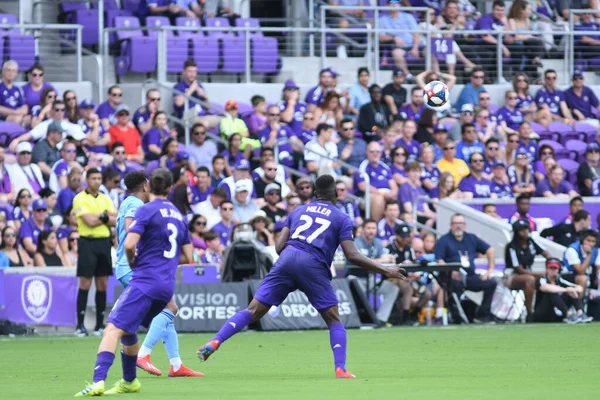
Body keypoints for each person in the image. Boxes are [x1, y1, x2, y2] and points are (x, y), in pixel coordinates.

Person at [195, 174, 406, 378]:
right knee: (333, 319)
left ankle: (216, 341)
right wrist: (386, 269)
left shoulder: (298, 211)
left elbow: (278, 247)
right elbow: (352, 254)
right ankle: (340, 369)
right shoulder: (341, 217)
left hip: (286, 258)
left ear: (315, 193)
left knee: (253, 310)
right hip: (313, 264)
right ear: (334, 194)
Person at [74, 168, 200, 397]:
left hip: (143, 276)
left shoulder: (143, 209)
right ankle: (155, 370)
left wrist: (136, 261)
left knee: (113, 328)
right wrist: (163, 259)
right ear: (171, 188)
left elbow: (130, 242)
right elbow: (188, 257)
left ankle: (99, 381)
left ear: (150, 186)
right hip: (164, 281)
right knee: (152, 317)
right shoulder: (178, 215)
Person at [115, 170, 202, 378]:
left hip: (130, 266)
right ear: (145, 186)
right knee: (170, 308)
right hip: (135, 267)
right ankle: (143, 354)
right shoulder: (136, 205)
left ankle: (176, 364)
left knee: (168, 313)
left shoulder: (129, 203)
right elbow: (130, 231)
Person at [72, 168, 117, 337]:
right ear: (87, 180)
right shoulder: (79, 198)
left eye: (99, 178)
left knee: (102, 284)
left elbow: (115, 219)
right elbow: (88, 221)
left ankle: (99, 324)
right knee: (84, 283)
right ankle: (80, 325)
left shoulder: (105, 198)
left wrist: (104, 218)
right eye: (93, 178)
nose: (97, 181)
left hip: (104, 243)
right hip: (87, 242)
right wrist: (105, 217)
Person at [435, 213, 497, 324]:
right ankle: (456, 316)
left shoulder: (471, 238)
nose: (458, 226)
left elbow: (490, 250)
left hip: (470, 276)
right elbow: (439, 260)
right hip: (452, 277)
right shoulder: (443, 240)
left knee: (491, 282)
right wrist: (449, 270)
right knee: (454, 285)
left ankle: (483, 315)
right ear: (451, 225)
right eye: (455, 223)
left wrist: (490, 269)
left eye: (461, 223)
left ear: (465, 225)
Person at [346, 219, 397, 325]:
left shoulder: (377, 242)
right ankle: (360, 319)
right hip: (354, 278)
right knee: (357, 288)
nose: (371, 231)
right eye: (368, 228)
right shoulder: (356, 242)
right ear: (363, 229)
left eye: (373, 228)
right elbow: (360, 261)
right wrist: (381, 260)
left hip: (370, 278)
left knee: (392, 289)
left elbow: (385, 258)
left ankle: (380, 319)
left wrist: (389, 258)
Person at [504, 219, 551, 320]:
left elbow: (547, 254)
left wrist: (550, 267)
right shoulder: (511, 246)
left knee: (548, 279)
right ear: (516, 233)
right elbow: (519, 269)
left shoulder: (532, 242)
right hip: (512, 276)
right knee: (530, 279)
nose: (525, 232)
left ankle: (547, 313)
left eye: (526, 229)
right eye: (522, 230)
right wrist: (540, 274)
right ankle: (529, 313)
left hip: (530, 273)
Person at [534, 258, 592, 323]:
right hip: (543, 312)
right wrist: (566, 289)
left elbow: (579, 288)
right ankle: (568, 314)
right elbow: (545, 287)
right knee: (551, 292)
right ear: (547, 269)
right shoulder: (542, 279)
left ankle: (580, 313)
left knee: (572, 292)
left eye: (555, 268)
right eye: (551, 268)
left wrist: (571, 290)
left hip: (556, 312)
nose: (553, 271)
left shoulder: (560, 280)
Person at [378, 1, 420, 82]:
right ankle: (408, 76)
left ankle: (435, 76)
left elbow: (416, 34)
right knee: (397, 53)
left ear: (400, 5)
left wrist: (415, 47)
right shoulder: (382, 20)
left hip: (414, 44)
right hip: (398, 47)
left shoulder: (408, 16)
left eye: (397, 2)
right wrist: (394, 37)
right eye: (392, 2)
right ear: (387, 5)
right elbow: (381, 37)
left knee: (430, 51)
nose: (394, 4)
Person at [0, 60, 28, 124]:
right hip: (4, 117)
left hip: (17, 115)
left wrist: (22, 111)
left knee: (28, 119)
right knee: (17, 118)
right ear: (3, 71)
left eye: (13, 71)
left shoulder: (18, 89)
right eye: (8, 70)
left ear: (16, 73)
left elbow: (24, 106)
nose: (11, 73)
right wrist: (15, 112)